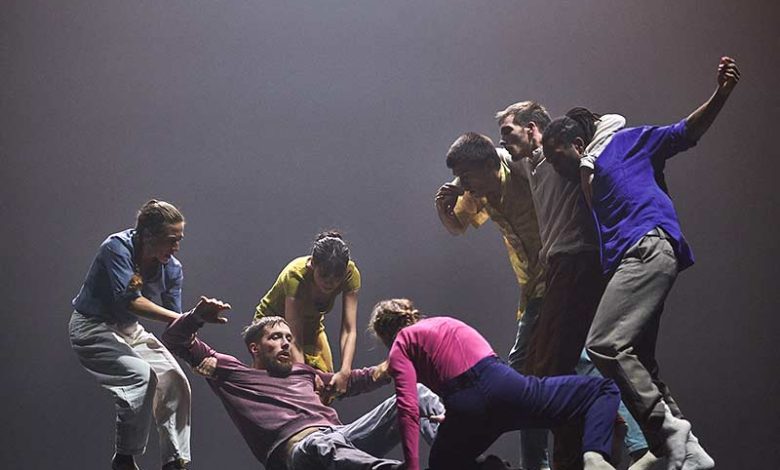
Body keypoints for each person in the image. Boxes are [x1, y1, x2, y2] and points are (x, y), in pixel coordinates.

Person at [542, 56, 741, 470]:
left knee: (604, 344)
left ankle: (665, 432)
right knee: (642, 361)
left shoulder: (627, 142)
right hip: (630, 260)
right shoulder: (589, 175)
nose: (554, 167)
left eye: (554, 156)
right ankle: (691, 452)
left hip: (647, 246)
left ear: (575, 143)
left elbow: (684, 132)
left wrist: (720, 94)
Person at [162, 308, 445, 470]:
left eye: (288, 338)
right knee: (318, 445)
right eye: (276, 337)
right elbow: (175, 339)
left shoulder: (305, 374)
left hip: (344, 439)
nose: (286, 343)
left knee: (417, 394)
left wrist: (392, 365)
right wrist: (197, 316)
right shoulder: (233, 374)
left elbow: (352, 381)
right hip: (299, 455)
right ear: (255, 348)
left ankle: (453, 451)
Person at [368, 298, 622, 470]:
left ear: (385, 335)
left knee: (443, 463)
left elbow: (408, 410)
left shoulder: (401, 345)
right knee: (602, 390)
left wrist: (412, 467)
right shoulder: (445, 322)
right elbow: (476, 369)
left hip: (466, 406)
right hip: (504, 386)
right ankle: (595, 456)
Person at [68, 199, 229, 470]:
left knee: (175, 380)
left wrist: (195, 331)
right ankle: (124, 459)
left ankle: (175, 461)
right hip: (91, 326)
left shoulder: (172, 268)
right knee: (141, 376)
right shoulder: (116, 248)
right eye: (170, 240)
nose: (176, 247)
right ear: (147, 235)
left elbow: (175, 325)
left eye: (179, 240)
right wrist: (188, 317)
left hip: (129, 329)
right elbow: (130, 301)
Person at [253, 231, 360, 397]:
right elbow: (293, 336)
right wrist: (306, 375)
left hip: (311, 325)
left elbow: (348, 329)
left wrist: (346, 371)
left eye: (337, 277)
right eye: (324, 275)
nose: (330, 282)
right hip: (273, 328)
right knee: (293, 383)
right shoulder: (295, 275)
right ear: (312, 265)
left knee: (326, 383)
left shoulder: (350, 275)